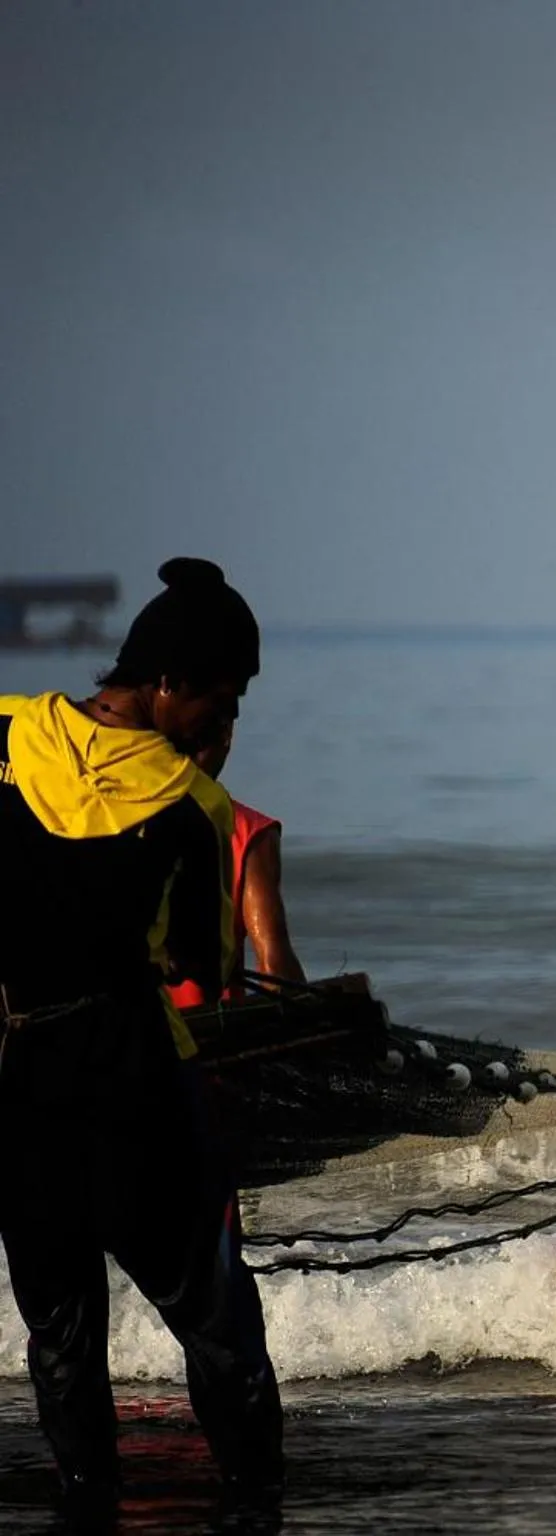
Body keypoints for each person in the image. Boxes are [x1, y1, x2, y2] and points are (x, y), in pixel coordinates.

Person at [0, 557, 284, 1516]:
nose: (221, 719)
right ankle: (255, 1501)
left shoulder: (5, 733)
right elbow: (195, 971)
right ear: (168, 683)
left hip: (17, 1087)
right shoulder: (194, 810)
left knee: (62, 1333)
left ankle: (89, 1502)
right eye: (221, 696)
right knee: (214, 1319)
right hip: (132, 1093)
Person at [164, 719, 305, 1011]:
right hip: (210, 1034)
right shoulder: (247, 831)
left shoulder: (111, 814)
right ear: (226, 737)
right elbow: (275, 969)